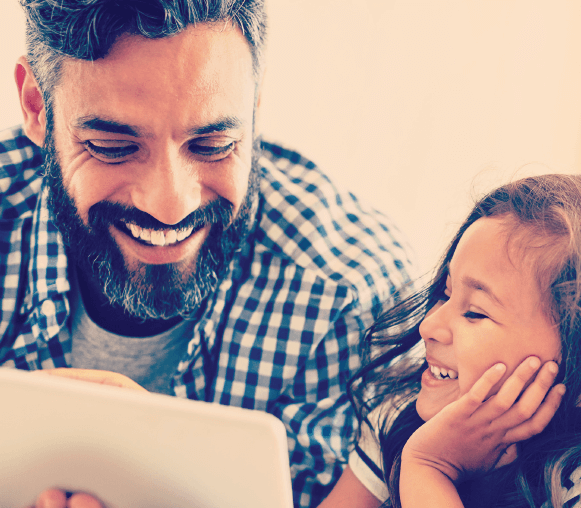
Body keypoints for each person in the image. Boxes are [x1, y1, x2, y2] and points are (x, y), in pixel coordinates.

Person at [1, 1, 413, 506]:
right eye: (112, 147)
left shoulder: (353, 299)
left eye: (213, 144)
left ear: (255, 109)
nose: (170, 205)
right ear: (37, 107)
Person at [321, 174, 581, 507]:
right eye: (446, 294)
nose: (431, 325)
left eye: (475, 312)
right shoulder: (401, 419)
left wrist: (429, 467)